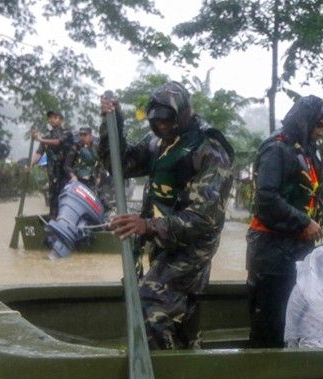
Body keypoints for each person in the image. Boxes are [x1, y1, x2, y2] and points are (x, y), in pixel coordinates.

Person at [100, 81, 235, 350]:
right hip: (163, 239)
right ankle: (187, 365)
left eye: (168, 120)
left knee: (150, 306)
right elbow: (120, 164)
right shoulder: (159, 144)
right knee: (185, 311)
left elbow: (204, 219)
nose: (163, 127)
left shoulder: (209, 149)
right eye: (157, 122)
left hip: (193, 246)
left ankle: (162, 375)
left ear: (183, 114)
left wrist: (147, 225)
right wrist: (112, 123)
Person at [246, 95, 323, 348]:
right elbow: (265, 199)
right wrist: (302, 223)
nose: (321, 132)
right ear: (305, 123)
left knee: (294, 323)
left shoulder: (306, 152)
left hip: (296, 253)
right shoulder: (276, 149)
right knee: (270, 326)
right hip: (271, 256)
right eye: (319, 126)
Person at [29, 110, 74, 217]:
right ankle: (53, 219)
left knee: (66, 196)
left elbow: (58, 142)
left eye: (55, 117)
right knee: (53, 197)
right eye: (50, 118)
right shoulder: (47, 135)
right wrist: (31, 164)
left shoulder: (67, 132)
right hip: (53, 173)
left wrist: (40, 139)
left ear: (60, 119)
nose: (52, 120)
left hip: (67, 173)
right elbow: (39, 153)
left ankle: (66, 218)